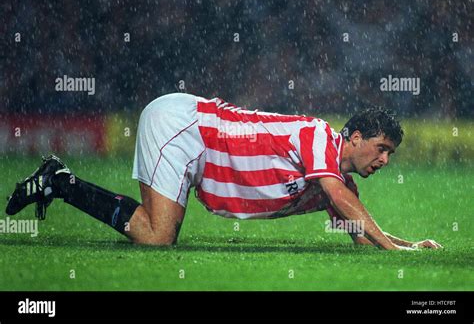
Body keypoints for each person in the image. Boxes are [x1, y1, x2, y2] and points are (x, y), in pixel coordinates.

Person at [6, 93, 442, 250]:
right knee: (158, 237)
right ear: (355, 136)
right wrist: (395, 253)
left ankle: (59, 181)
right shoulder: (317, 136)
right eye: (381, 148)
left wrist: (408, 246)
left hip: (193, 140)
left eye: (390, 156)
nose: (383, 161)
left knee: (156, 234)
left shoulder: (336, 183)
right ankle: (60, 181)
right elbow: (344, 201)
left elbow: (356, 228)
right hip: (184, 126)